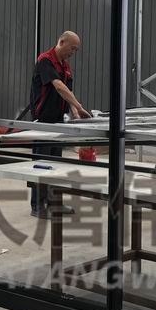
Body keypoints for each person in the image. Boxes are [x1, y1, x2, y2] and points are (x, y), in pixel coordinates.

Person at [29, 31, 92, 219]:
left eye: (76, 50)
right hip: (43, 122)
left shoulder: (65, 66)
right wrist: (79, 106)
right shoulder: (45, 60)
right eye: (72, 48)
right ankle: (37, 205)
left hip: (58, 121)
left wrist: (76, 114)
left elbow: (68, 93)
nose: (73, 52)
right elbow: (59, 87)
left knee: (56, 164)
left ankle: (55, 203)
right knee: (42, 164)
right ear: (62, 42)